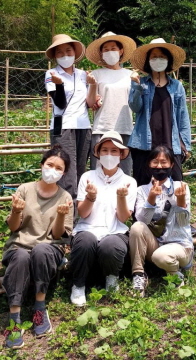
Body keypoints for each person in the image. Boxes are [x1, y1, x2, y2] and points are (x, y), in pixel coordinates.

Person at [1, 145, 73, 348]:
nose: (53, 170)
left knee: (41, 250)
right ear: (41, 165)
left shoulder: (65, 197)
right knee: (22, 256)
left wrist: (60, 215)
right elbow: (14, 228)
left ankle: (39, 308)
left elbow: (58, 235)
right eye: (50, 164)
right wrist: (15, 212)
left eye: (58, 168)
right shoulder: (24, 189)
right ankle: (14, 318)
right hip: (20, 245)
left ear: (63, 172)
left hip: (49, 247)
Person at [69, 131, 137, 306]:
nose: (109, 155)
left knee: (111, 245)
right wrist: (90, 197)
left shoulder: (129, 181)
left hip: (115, 230)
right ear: (98, 154)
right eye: (105, 150)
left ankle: (112, 278)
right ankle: (78, 284)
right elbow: (83, 213)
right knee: (84, 241)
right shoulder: (87, 177)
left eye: (114, 151)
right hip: (87, 228)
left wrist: (121, 197)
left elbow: (123, 218)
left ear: (121, 155)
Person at [129, 145, 193, 297]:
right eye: (155, 162)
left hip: (180, 245)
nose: (159, 166)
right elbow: (142, 221)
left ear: (171, 164)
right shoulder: (142, 190)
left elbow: (184, 223)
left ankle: (175, 275)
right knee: (136, 227)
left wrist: (181, 202)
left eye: (164, 162)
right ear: (149, 164)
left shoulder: (181, 187)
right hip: (156, 243)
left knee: (161, 256)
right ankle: (138, 275)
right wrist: (150, 199)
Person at [128, 38, 192, 186]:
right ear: (148, 61)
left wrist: (186, 146)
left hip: (171, 143)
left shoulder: (176, 86)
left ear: (168, 60)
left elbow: (183, 117)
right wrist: (136, 86)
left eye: (162, 57)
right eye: (154, 57)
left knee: (175, 184)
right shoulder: (141, 82)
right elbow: (135, 107)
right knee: (142, 186)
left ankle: (173, 210)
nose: (158, 60)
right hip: (144, 143)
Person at [44, 34, 95, 199]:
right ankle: (66, 219)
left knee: (80, 171)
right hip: (63, 127)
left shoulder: (83, 75)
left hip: (83, 126)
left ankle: (78, 215)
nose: (65, 55)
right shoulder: (51, 73)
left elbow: (89, 102)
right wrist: (59, 85)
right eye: (60, 53)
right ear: (55, 56)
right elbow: (59, 103)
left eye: (68, 51)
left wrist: (94, 88)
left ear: (74, 53)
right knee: (66, 173)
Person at [86, 32, 137, 176]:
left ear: (121, 51)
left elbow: (135, 101)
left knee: (124, 171)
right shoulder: (96, 74)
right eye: (106, 49)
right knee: (98, 171)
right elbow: (90, 102)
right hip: (102, 127)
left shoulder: (130, 75)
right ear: (101, 53)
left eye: (113, 48)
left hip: (125, 127)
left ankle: (124, 198)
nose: (110, 52)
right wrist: (93, 86)